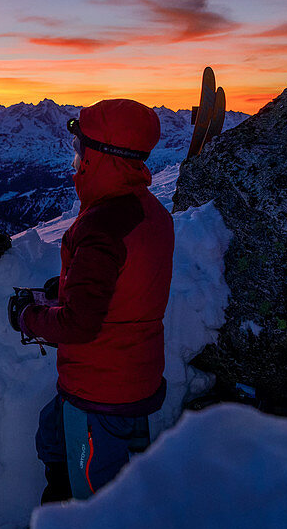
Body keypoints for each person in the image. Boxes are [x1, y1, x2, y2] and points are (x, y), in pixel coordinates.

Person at [10, 99, 174, 502]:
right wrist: (69, 284)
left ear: (99, 157)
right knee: (52, 439)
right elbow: (128, 284)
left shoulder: (102, 226)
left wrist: (27, 318)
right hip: (132, 374)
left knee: (94, 495)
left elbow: (80, 325)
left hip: (101, 390)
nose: (75, 158)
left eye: (80, 149)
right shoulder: (148, 212)